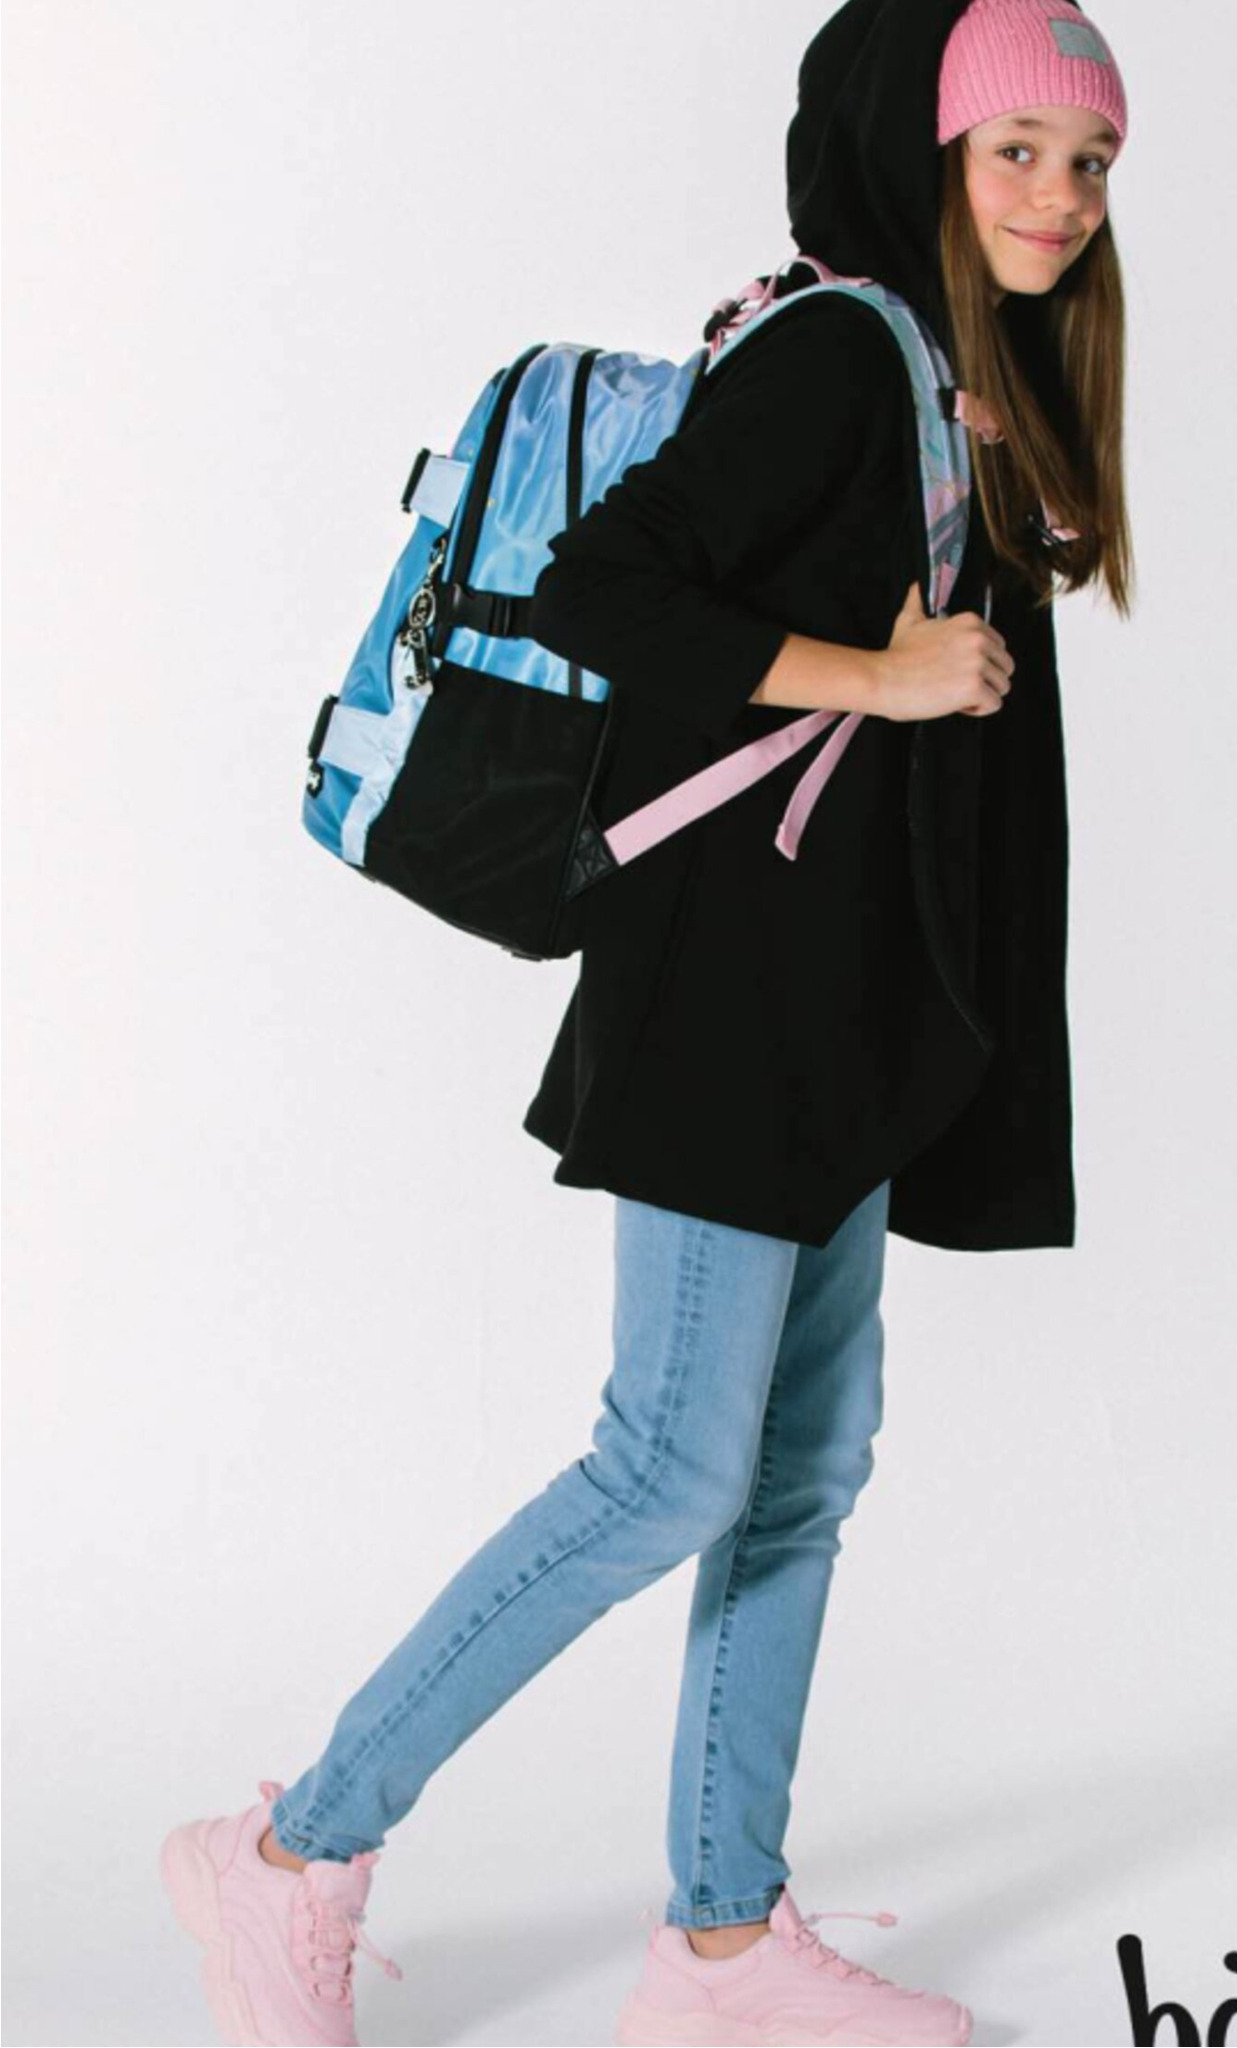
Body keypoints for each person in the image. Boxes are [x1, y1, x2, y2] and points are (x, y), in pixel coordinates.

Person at [159, 1, 1132, 2042]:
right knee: (670, 1467)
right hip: (726, 1004)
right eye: (1017, 151)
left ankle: (722, 1945)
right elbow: (609, 586)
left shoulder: (950, 381)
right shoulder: (839, 352)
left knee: (800, 1467)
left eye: (1088, 161)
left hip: (845, 1013)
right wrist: (878, 674)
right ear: (925, 153)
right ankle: (291, 1850)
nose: (1058, 196)